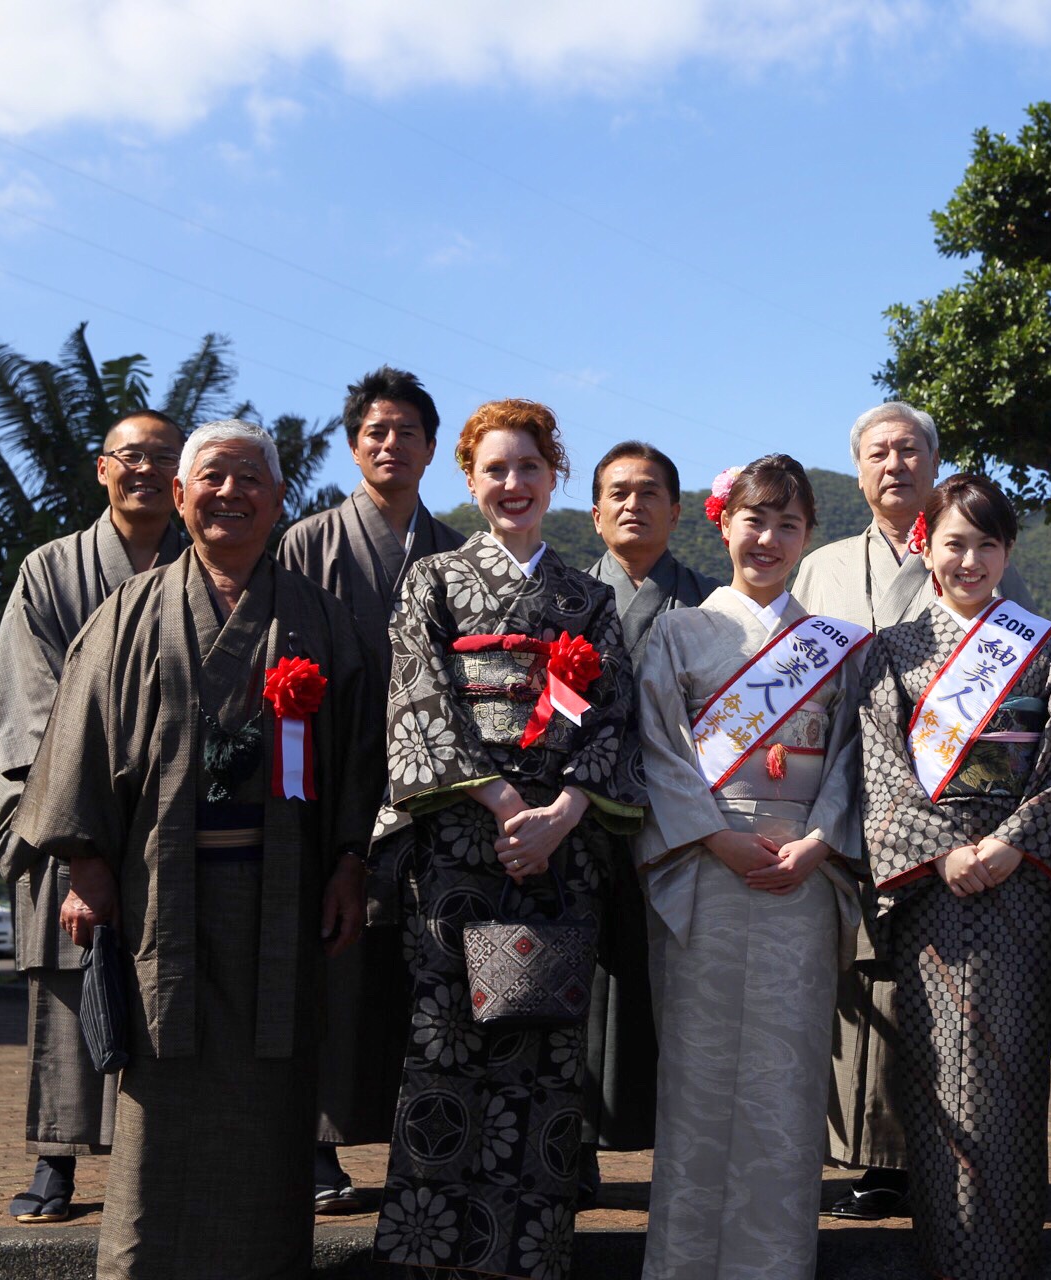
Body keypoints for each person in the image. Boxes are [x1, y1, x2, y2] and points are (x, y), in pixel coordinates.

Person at [11, 420, 382, 1279]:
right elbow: (80, 744)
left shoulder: (318, 618)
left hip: (283, 897)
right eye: (212, 476)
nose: (231, 493)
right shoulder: (127, 615)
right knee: (161, 1101)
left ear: (281, 500)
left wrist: (350, 867)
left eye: (251, 478)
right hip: (158, 898)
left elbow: (363, 754)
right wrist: (87, 867)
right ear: (180, 495)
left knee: (271, 1089)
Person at [373, 399, 645, 1280]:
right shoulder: (433, 581)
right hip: (462, 843)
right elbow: (418, 700)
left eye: (529, 467)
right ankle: (430, 1255)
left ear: (553, 475)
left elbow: (612, 722)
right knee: (447, 1044)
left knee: (544, 1050)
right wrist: (498, 804)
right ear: (470, 478)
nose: (513, 484)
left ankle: (530, 1252)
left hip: (556, 853)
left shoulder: (586, 598)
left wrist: (562, 813)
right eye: (496, 469)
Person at [787, 400, 1031, 1219]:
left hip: (954, 808)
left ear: (935, 461)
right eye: (878, 453)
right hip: (842, 796)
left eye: (910, 450)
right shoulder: (817, 566)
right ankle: (875, 1159)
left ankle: (933, 1156)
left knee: (932, 982)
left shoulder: (978, 550)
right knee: (860, 981)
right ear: (858, 470)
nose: (895, 465)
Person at [635, 454, 866, 1279]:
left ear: (809, 534)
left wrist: (822, 839)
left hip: (799, 871)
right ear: (723, 522)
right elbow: (658, 749)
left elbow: (850, 760)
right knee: (697, 1082)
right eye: (754, 520)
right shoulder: (680, 630)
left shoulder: (838, 647)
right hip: (708, 866)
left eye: (788, 524)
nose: (767, 539)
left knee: (786, 1086)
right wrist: (712, 835)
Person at [858, 473, 1051, 1279]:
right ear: (925, 546)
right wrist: (942, 851)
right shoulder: (894, 649)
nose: (970, 559)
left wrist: (1010, 845)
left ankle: (1005, 1256)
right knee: (933, 1081)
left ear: (1007, 552)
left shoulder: (1047, 645)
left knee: (1009, 1079)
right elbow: (882, 769)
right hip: (932, 886)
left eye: (987, 544)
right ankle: (943, 1255)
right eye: (954, 542)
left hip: (1016, 885)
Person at [0, 408, 188, 1224]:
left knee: (185, 980)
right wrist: (77, 826)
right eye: (129, 456)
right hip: (66, 813)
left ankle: (182, 1150)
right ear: (102, 469)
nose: (145, 470)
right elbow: (26, 708)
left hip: (179, 814)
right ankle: (56, 1158)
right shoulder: (50, 570)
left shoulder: (214, 564)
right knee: (68, 985)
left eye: (163, 458)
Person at [278, 364, 463, 1212]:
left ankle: (417, 1148)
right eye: (375, 432)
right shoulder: (308, 543)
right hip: (330, 773)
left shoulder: (457, 551)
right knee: (331, 959)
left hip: (432, 786)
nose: (391, 444)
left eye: (407, 432)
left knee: (422, 966)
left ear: (432, 448)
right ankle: (316, 1147)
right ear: (355, 445)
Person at [577, 442, 719, 1200]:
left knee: (682, 992)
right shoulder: (563, 600)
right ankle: (572, 1152)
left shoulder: (711, 604)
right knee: (581, 988)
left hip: (682, 824)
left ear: (677, 508)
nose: (634, 504)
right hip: (585, 824)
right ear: (595, 513)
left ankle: (686, 1160)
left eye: (650, 492)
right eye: (618, 493)